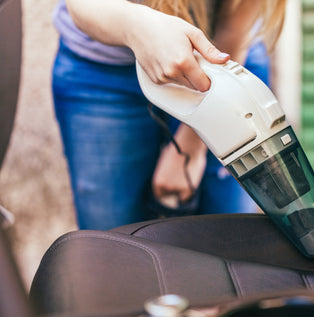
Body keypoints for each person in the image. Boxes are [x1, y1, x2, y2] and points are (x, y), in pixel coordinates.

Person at [52, 0, 286, 230]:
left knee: (233, 234)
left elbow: (233, 26)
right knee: (110, 237)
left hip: (223, 63)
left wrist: (190, 148)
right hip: (103, 70)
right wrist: (137, 27)